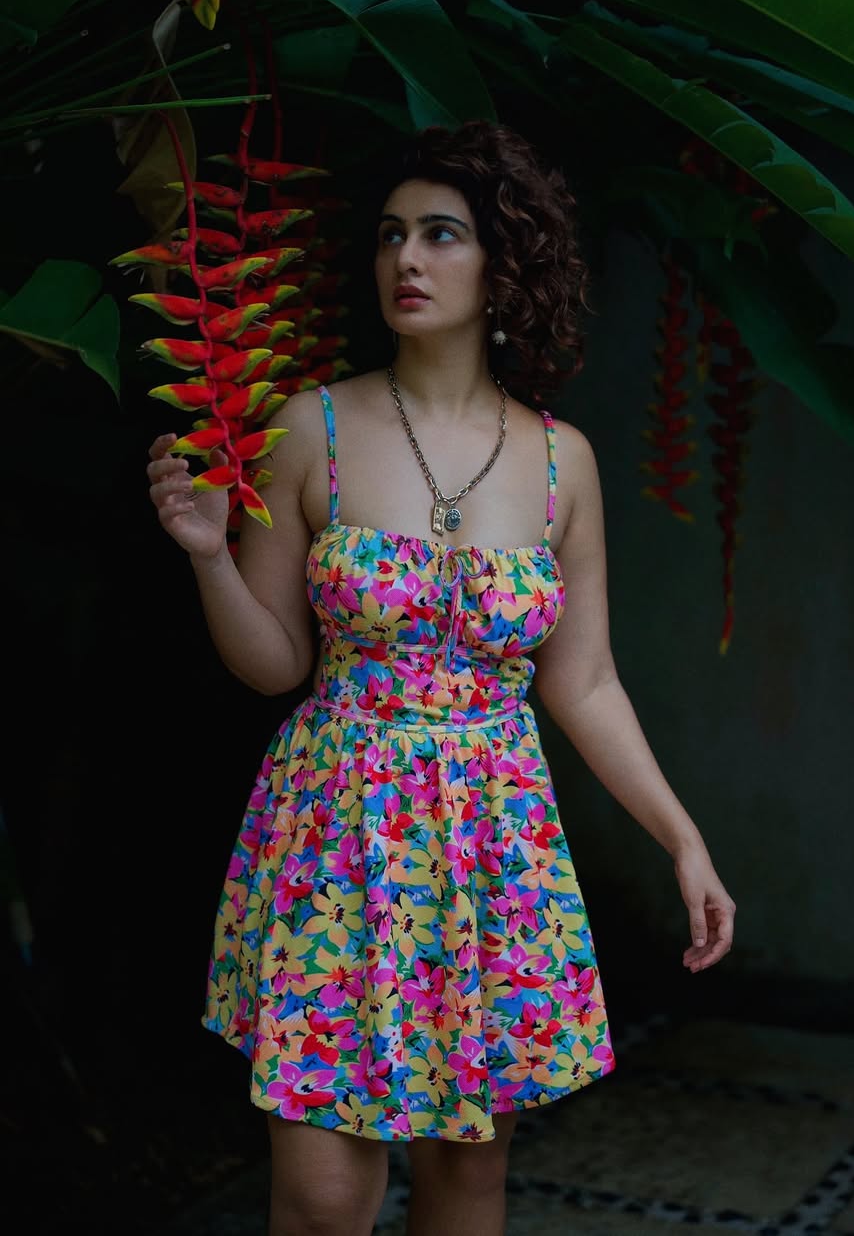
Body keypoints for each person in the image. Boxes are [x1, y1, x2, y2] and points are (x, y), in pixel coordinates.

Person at [146, 119, 736, 1236]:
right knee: (324, 1199)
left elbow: (585, 681)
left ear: (504, 263)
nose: (406, 259)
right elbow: (276, 664)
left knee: (466, 1180)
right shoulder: (310, 427)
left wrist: (682, 839)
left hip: (493, 839)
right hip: (338, 831)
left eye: (440, 234)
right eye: (390, 235)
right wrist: (211, 557)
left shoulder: (562, 461)